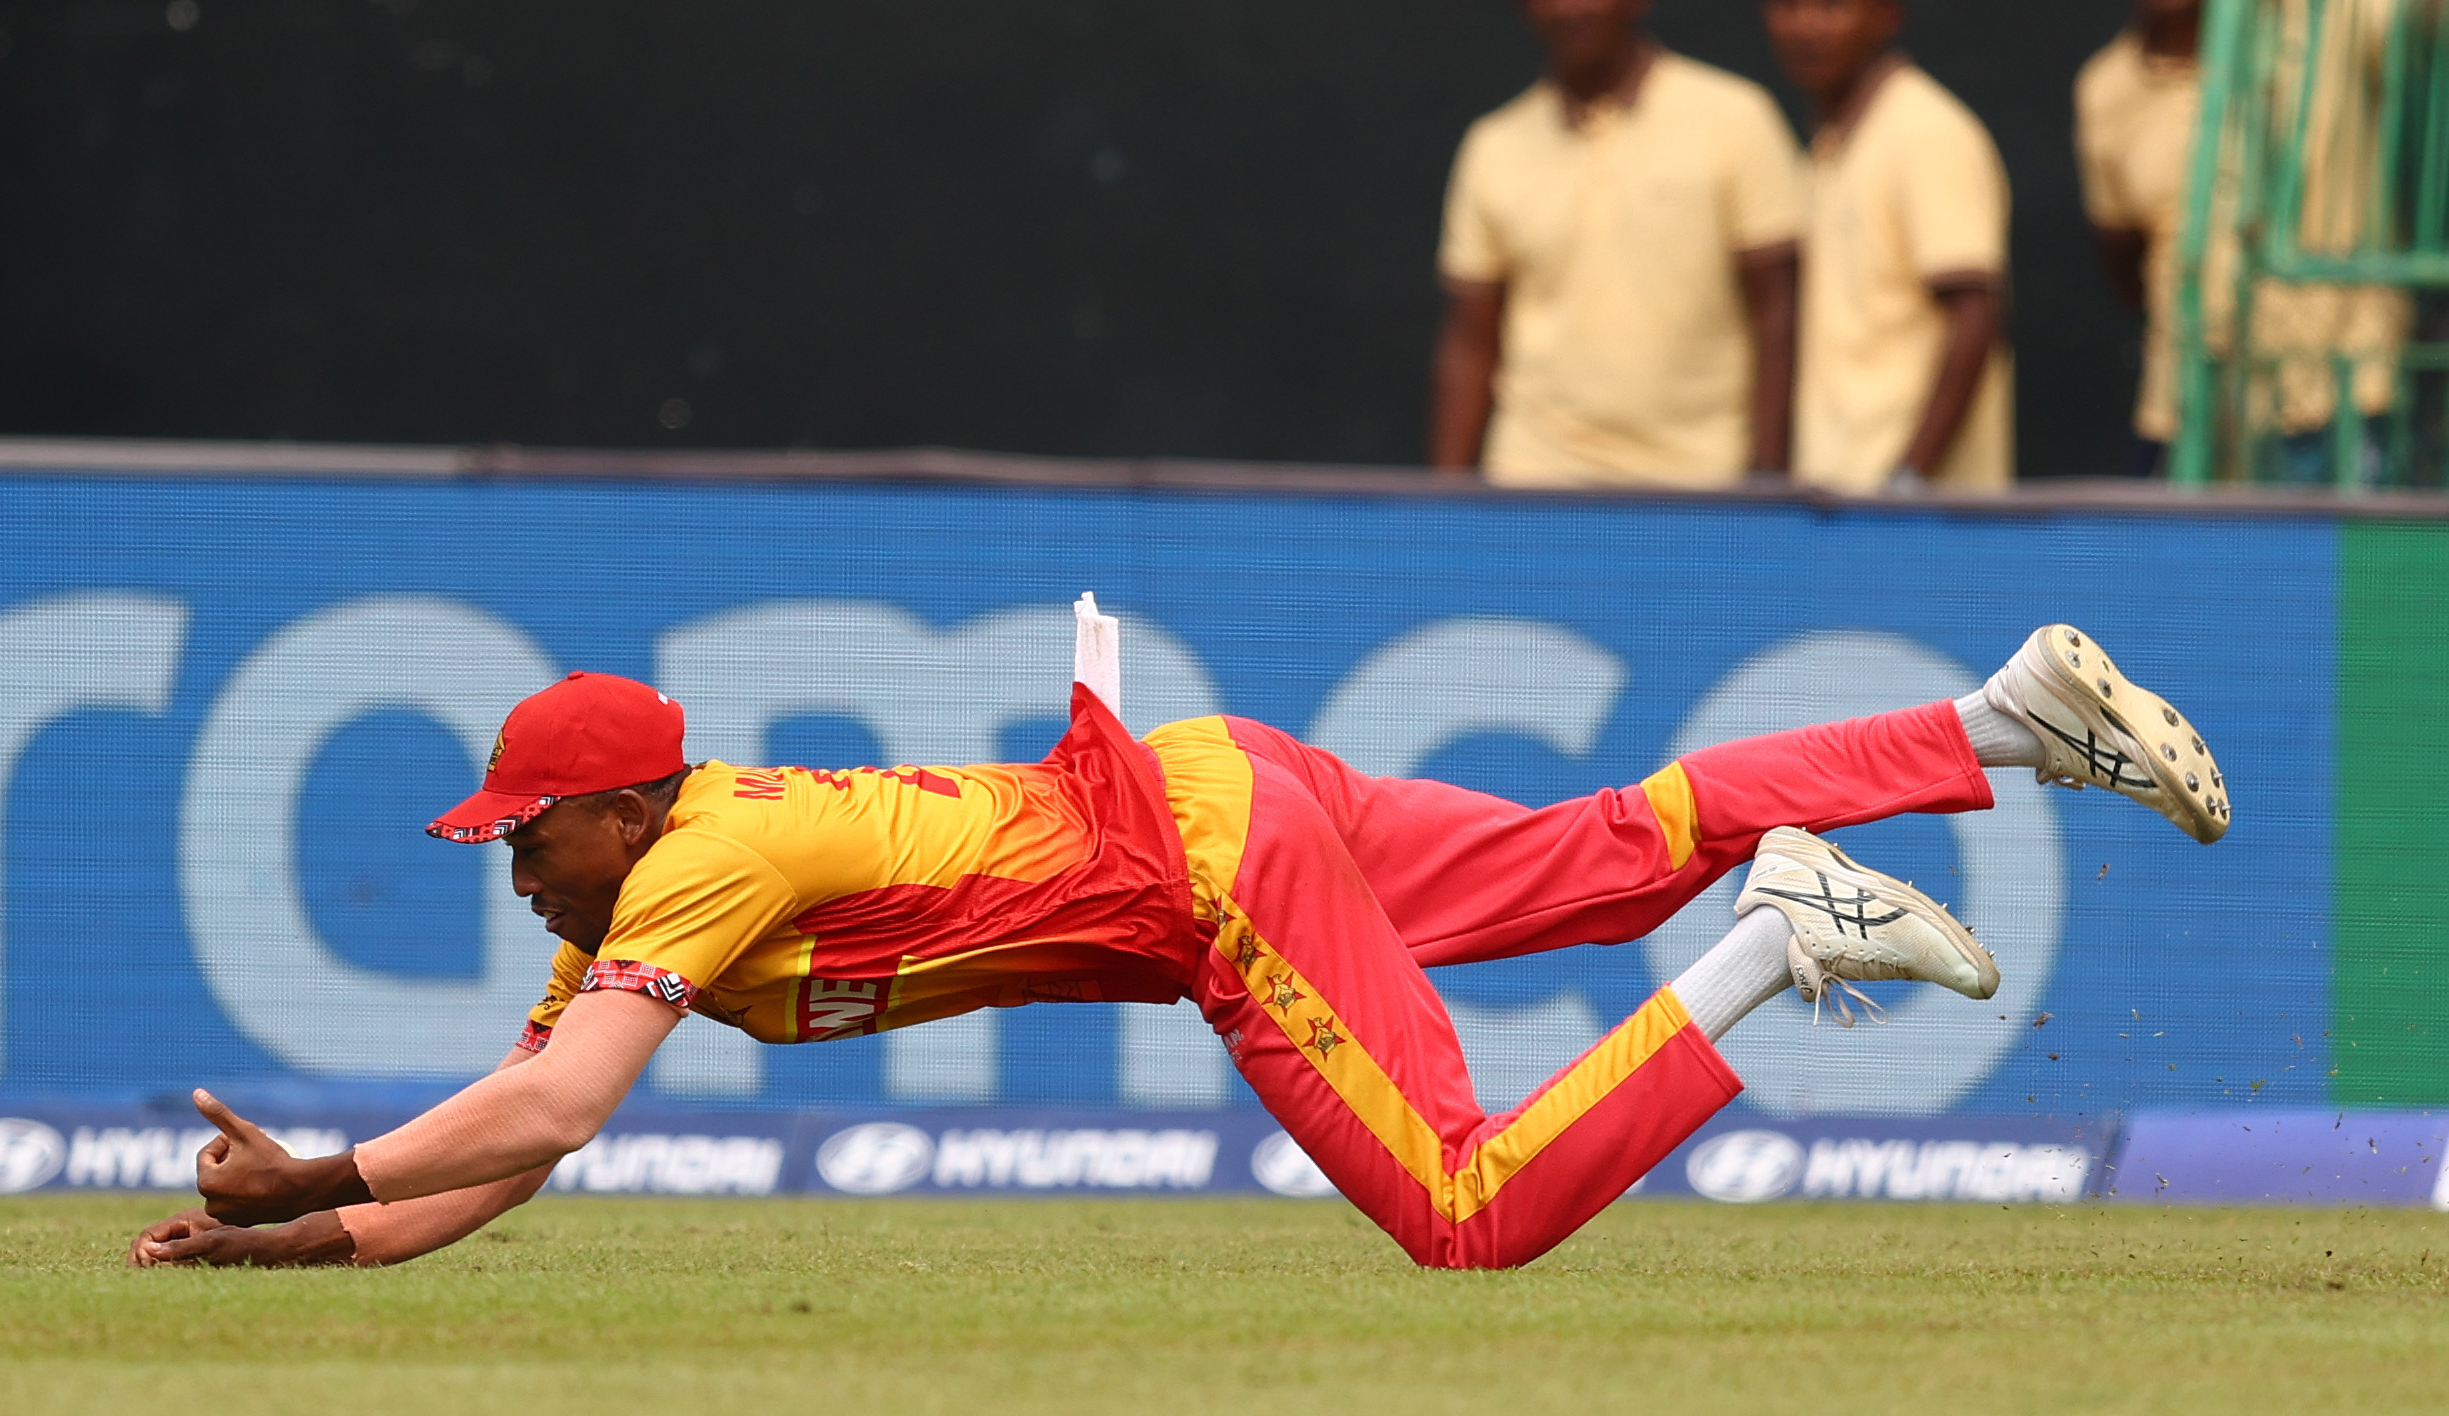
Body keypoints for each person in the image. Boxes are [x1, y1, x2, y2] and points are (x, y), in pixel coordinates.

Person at [134, 604, 2228, 1275]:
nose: (514, 866)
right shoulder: (664, 872)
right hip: (1224, 780)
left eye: (527, 834)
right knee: (1594, 851)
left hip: (1210, 875)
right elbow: (522, 1132)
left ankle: (1777, 942)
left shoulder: (683, 870)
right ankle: (1988, 722)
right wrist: (286, 1244)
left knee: (1465, 1215)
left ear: (615, 806)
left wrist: (315, 1162)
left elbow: (561, 1102)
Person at [1430, 0, 1804, 487]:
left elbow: (1778, 309)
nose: (1569, 10)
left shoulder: (1736, 118)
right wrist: (1442, 502)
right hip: (1536, 479)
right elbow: (1471, 340)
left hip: (1701, 482)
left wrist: (1766, 477)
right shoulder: (1493, 146)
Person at [2076, 0, 2408, 480]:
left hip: (2333, 410)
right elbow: (2123, 258)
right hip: (2182, 418)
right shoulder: (2106, 88)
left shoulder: (2335, 20)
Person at [1764, 0, 2013, 493]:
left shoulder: (1927, 133)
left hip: (1914, 516)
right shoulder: (1831, 144)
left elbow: (1974, 315)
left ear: (1887, 15)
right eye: (1788, 6)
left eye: (1833, 7)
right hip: (1841, 494)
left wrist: (1908, 476)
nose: (1807, 26)